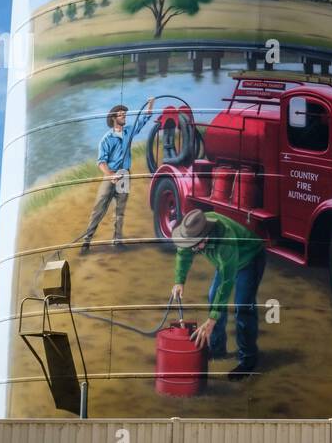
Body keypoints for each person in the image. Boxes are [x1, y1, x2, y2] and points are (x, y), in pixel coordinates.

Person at [171, 208, 267, 380]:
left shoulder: (225, 239)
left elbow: (227, 282)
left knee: (243, 306)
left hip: (249, 258)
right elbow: (183, 253)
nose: (193, 250)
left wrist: (212, 319)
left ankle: (248, 360)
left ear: (206, 237)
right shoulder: (192, 230)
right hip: (226, 263)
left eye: (196, 246)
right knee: (212, 295)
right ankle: (217, 349)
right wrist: (179, 280)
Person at [80, 98, 155, 253]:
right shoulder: (106, 139)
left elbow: (144, 120)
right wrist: (110, 175)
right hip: (111, 176)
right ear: (114, 118)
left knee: (120, 210)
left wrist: (150, 105)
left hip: (125, 175)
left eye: (125, 115)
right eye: (121, 115)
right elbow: (101, 162)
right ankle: (86, 241)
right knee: (99, 208)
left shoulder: (128, 131)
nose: (124, 117)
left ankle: (117, 240)